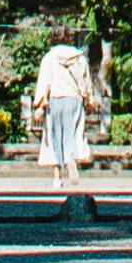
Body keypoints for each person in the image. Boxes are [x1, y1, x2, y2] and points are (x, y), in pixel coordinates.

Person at [30, 34, 100, 191]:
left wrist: (40, 105)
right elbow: (86, 80)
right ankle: (70, 160)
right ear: (69, 38)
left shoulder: (49, 58)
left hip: (56, 100)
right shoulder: (79, 57)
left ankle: (57, 178)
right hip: (75, 100)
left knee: (54, 138)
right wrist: (89, 102)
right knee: (73, 135)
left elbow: (44, 82)